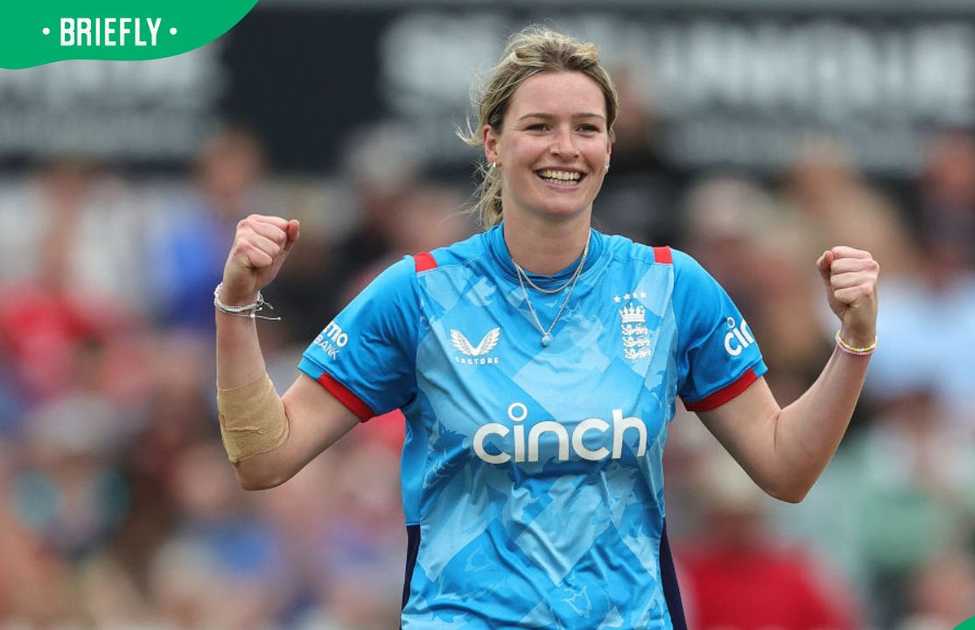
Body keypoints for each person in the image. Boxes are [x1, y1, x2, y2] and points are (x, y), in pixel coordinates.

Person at [213, 27, 880, 629]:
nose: (566, 147)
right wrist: (236, 304)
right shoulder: (419, 294)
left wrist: (853, 343)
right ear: (493, 140)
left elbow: (786, 468)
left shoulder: (669, 287)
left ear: (611, 148)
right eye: (540, 126)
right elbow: (265, 457)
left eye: (587, 128)